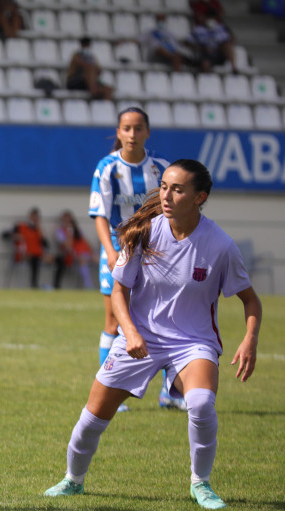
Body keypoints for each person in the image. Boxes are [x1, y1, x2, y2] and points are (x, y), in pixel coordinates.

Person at [45, 159, 262, 510]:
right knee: (93, 417)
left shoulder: (220, 245)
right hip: (141, 335)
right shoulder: (144, 232)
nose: (166, 194)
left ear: (199, 197)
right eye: (163, 186)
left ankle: (201, 484)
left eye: (177, 189)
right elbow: (118, 291)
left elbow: (251, 300)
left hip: (194, 342)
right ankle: (73, 479)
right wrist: (130, 332)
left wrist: (250, 338)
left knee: (201, 403)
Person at [89, 107, 180, 412]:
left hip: (155, 249)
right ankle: (110, 390)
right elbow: (100, 215)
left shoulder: (161, 168)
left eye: (138, 128)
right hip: (117, 246)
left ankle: (171, 392)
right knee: (113, 319)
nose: (132, 134)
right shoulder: (107, 168)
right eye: (126, 128)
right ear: (118, 132)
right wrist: (112, 252)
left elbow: (173, 213)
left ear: (147, 132)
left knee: (167, 316)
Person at [53, 210, 94, 290]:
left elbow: (85, 242)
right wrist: (69, 234)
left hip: (84, 253)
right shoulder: (60, 232)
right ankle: (89, 286)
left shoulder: (78, 231)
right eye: (66, 221)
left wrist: (91, 252)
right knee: (82, 260)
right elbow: (67, 246)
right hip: (72, 255)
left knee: (100, 259)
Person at [189, 9, 237, 74]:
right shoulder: (198, 30)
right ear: (205, 18)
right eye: (209, 17)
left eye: (213, 18)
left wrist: (217, 48)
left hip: (218, 53)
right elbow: (188, 42)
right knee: (205, 63)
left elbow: (229, 40)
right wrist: (202, 48)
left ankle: (234, 68)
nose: (211, 20)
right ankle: (207, 80)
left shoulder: (221, 28)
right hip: (205, 53)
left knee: (227, 46)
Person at [13, 207, 47, 289]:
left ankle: (55, 287)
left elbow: (45, 243)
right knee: (34, 259)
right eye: (33, 216)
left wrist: (39, 229)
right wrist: (16, 237)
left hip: (37, 254)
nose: (34, 219)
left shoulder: (38, 230)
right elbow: (8, 235)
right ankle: (34, 285)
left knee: (59, 260)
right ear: (29, 217)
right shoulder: (21, 226)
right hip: (23, 254)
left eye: (36, 217)